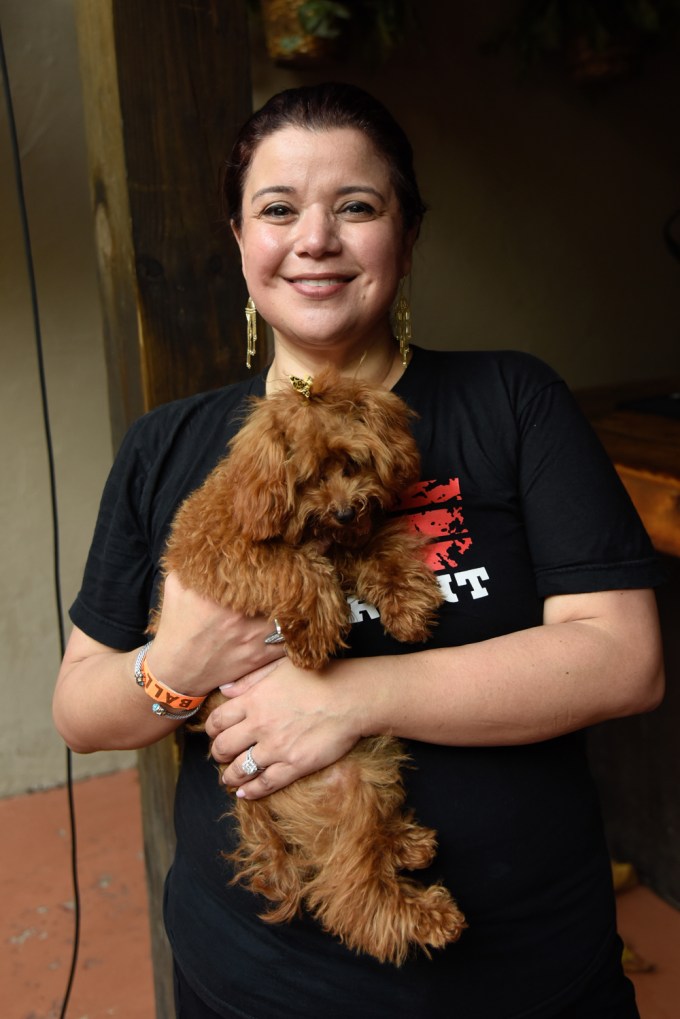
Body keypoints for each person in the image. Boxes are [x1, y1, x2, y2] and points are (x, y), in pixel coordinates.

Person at [53, 82, 665, 1019]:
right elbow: (81, 707)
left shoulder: (514, 402)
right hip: (258, 982)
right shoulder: (163, 447)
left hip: (527, 978)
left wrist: (344, 700)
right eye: (278, 209)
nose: (315, 239)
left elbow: (624, 659)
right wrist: (176, 664)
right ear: (239, 241)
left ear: (407, 238)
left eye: (357, 206)